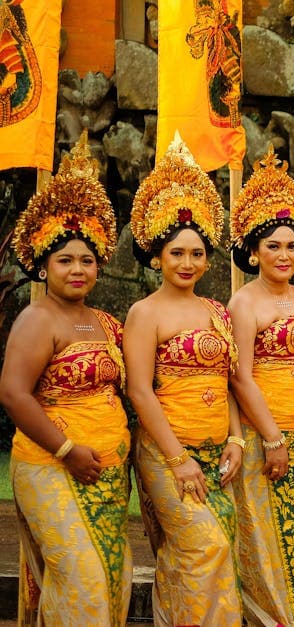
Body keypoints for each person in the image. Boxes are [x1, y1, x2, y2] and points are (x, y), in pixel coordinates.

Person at [0, 133, 131, 626]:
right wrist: (66, 450)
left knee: (109, 578)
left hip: (107, 470)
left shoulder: (103, 321)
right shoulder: (38, 320)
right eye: (65, 260)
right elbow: (12, 394)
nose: (78, 269)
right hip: (51, 465)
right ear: (43, 265)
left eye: (87, 260)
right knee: (83, 579)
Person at [123, 133, 244, 625]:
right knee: (204, 546)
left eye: (196, 253)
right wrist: (178, 460)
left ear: (208, 258)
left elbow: (229, 380)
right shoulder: (144, 313)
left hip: (218, 452)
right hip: (167, 451)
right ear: (156, 256)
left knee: (210, 552)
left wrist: (237, 438)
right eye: (176, 253)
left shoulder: (216, 310)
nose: (187, 263)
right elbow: (138, 390)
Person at [227, 147, 294, 626]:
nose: (284, 255)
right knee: (263, 546)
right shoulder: (245, 303)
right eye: (272, 247)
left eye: (291, 246)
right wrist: (271, 438)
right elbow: (240, 375)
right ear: (252, 251)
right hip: (267, 438)